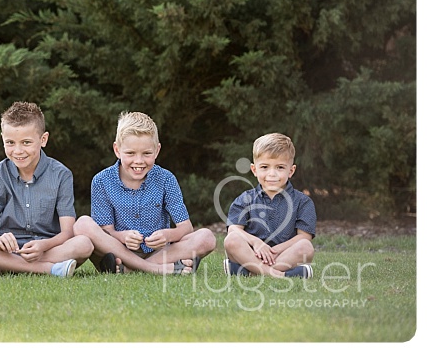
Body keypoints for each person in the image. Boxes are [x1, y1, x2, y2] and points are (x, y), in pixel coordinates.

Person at [0, 101, 93, 277]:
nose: (18, 150)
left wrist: (44, 245)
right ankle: (48, 270)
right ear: (2, 139)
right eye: (10, 143)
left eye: (26, 142)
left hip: (46, 249)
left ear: (43, 140)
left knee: (84, 244)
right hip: (6, 250)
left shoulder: (61, 174)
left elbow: (67, 232)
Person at [73, 111, 216, 274]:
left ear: (157, 150)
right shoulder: (102, 181)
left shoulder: (166, 179)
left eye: (147, 153)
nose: (139, 161)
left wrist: (167, 235)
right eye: (130, 153)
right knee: (83, 224)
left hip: (158, 252)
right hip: (116, 251)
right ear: (117, 150)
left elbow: (186, 228)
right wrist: (122, 237)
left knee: (207, 237)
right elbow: (106, 231)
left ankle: (130, 269)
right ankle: (153, 269)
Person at [222, 133, 316, 278]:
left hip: (284, 255)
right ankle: (281, 275)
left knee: (306, 247)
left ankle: (251, 272)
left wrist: (275, 250)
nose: (272, 174)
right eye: (265, 167)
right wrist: (257, 243)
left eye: (279, 167)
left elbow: (304, 237)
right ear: (254, 170)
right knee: (231, 240)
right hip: (251, 253)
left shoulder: (303, 201)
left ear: (291, 171)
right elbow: (234, 228)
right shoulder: (245, 199)